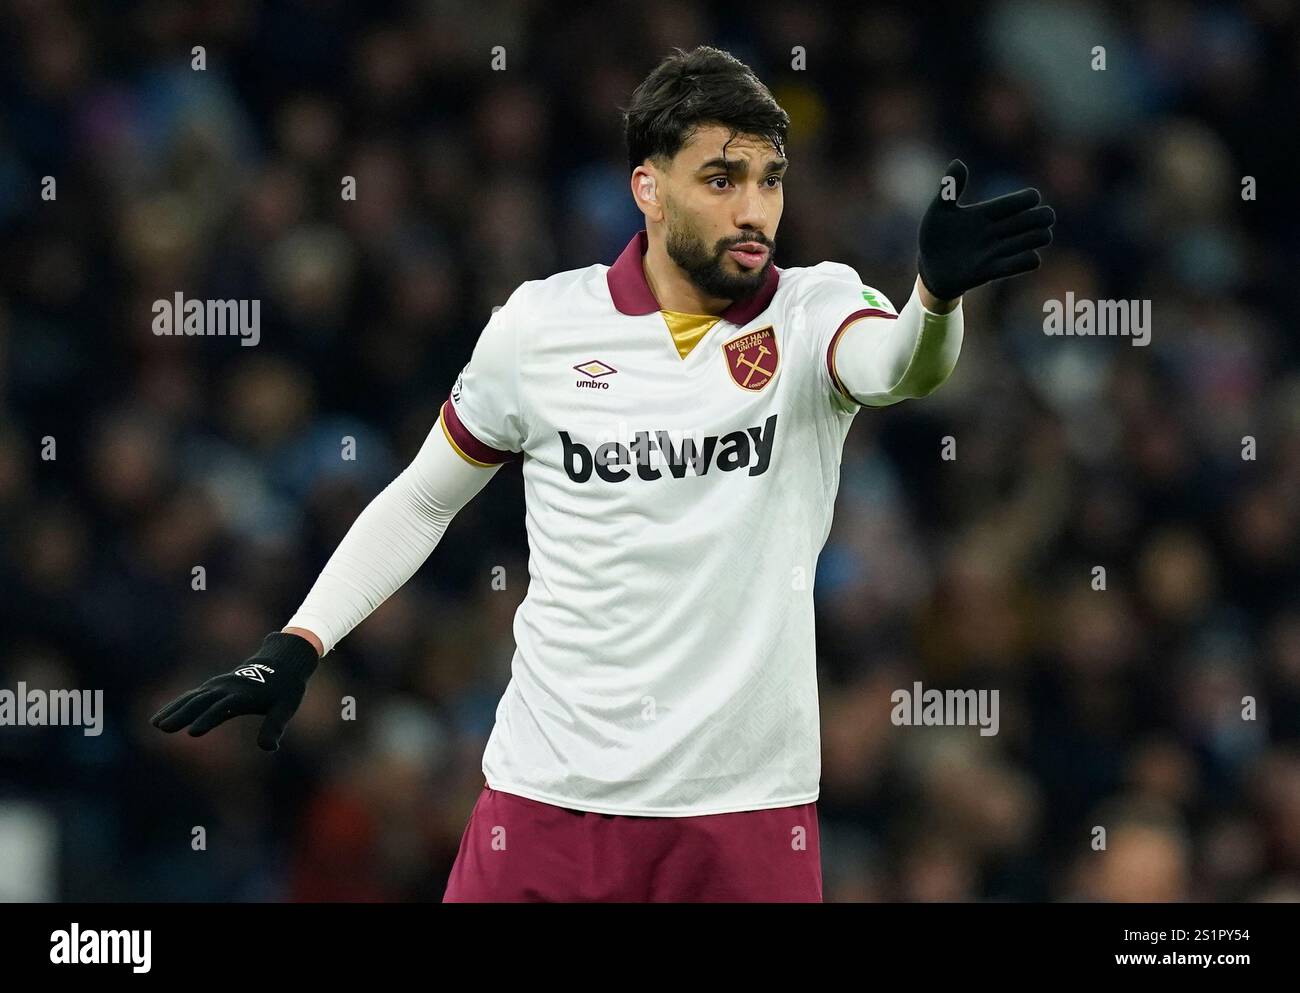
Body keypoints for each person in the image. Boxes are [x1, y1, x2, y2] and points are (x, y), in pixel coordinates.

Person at [151, 44, 1055, 902]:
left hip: (742, 814)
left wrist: (934, 299)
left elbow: (902, 365)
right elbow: (426, 498)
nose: (755, 210)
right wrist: (299, 641)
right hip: (549, 799)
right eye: (722, 178)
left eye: (770, 180)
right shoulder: (540, 328)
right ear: (648, 189)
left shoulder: (816, 307)